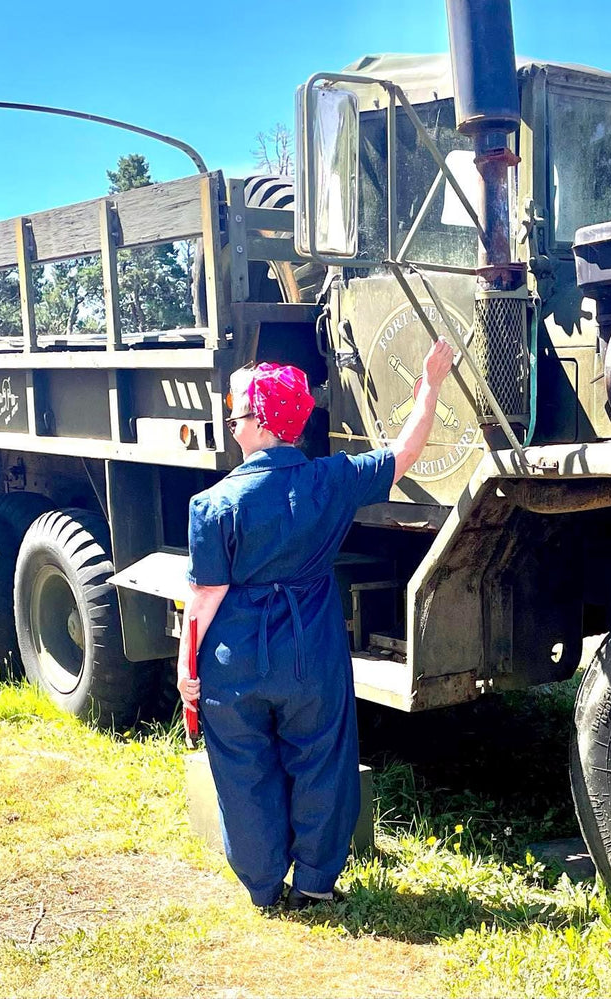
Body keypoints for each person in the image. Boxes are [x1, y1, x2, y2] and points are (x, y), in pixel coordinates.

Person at [177, 337, 455, 911]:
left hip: (237, 661)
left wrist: (187, 672)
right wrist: (429, 384)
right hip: (312, 651)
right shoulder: (332, 480)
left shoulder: (212, 505)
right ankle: (316, 883)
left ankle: (263, 887)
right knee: (322, 760)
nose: (232, 426)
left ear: (266, 423)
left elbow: (203, 600)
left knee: (245, 772)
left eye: (240, 416)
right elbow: (406, 451)